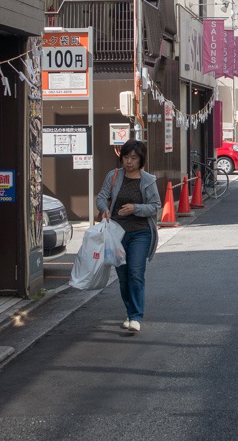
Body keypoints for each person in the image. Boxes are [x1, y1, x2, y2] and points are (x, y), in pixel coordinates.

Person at [95, 139, 161, 333]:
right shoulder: (114, 176)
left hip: (141, 232)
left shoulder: (148, 180)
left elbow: (156, 206)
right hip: (117, 234)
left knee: (135, 272)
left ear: (141, 160)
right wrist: (104, 209)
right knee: (123, 276)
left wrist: (135, 208)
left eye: (134, 158)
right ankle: (130, 311)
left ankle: (136, 316)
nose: (129, 161)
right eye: (126, 157)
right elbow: (101, 197)